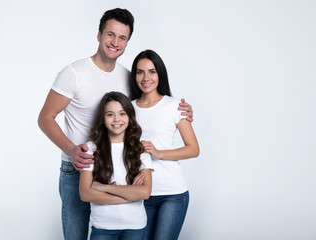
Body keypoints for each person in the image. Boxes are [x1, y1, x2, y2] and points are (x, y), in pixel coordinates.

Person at [38, 8, 194, 239]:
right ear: (99, 35)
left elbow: (145, 105)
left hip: (116, 168)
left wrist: (181, 112)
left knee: (114, 228)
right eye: (110, 34)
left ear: (127, 42)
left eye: (122, 37)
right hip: (79, 165)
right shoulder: (74, 73)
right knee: (76, 233)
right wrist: (71, 150)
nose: (115, 42)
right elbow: (45, 118)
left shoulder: (127, 77)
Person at [129, 49, 200, 240]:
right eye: (140, 72)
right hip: (140, 192)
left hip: (172, 194)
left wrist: (159, 153)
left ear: (160, 74)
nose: (146, 77)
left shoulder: (174, 106)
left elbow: (193, 149)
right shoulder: (127, 108)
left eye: (152, 71)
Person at [79, 91, 152, 240]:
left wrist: (103, 187)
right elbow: (85, 194)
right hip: (103, 227)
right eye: (110, 114)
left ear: (129, 117)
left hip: (135, 226)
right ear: (103, 119)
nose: (116, 119)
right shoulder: (91, 148)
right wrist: (130, 195)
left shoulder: (140, 149)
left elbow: (144, 192)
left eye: (122, 113)